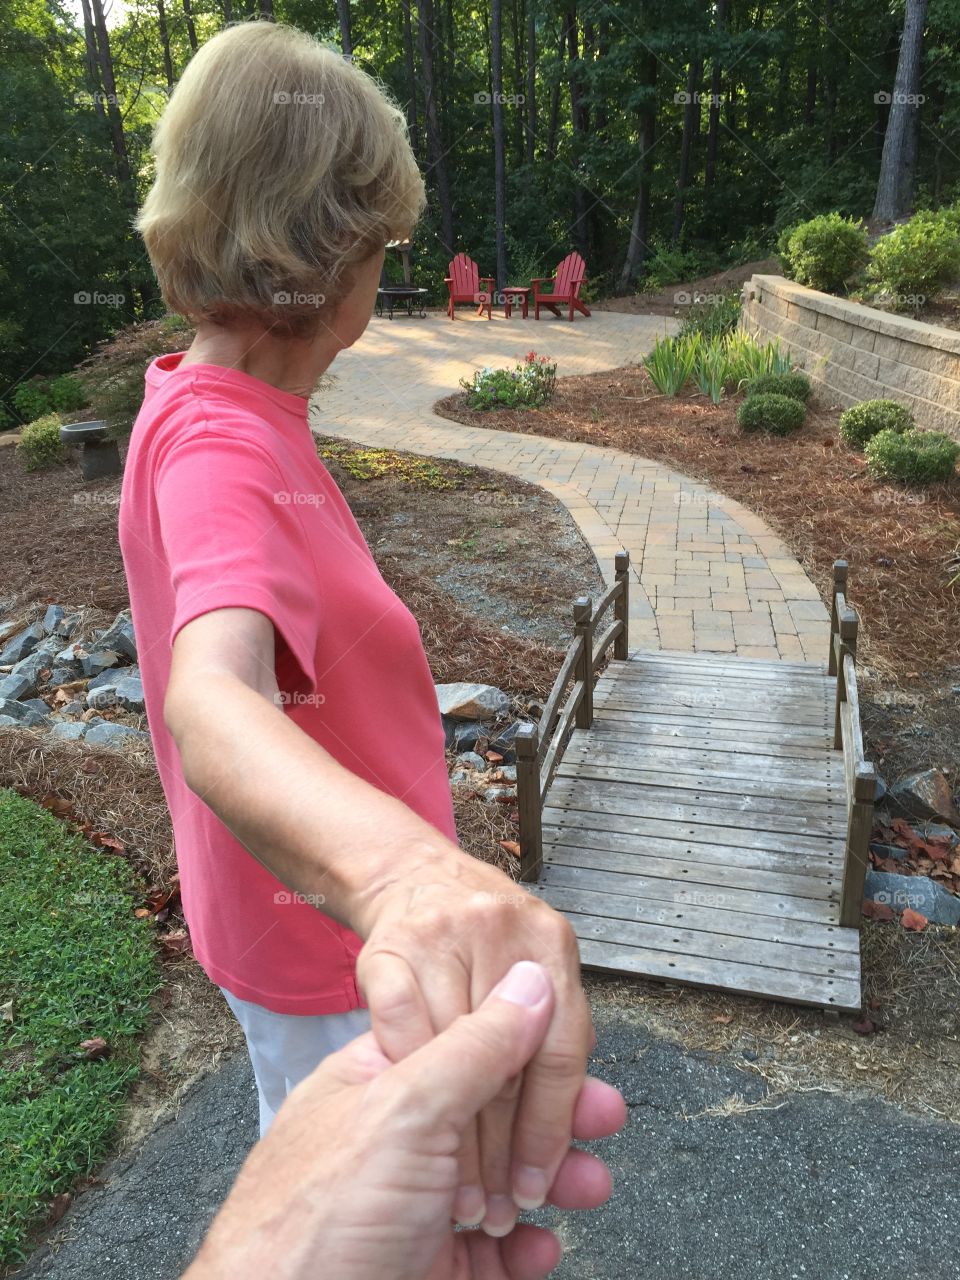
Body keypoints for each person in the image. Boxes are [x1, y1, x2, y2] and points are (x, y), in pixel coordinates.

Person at [123, 19, 593, 1239]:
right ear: (321, 257)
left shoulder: (209, 397)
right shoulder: (225, 449)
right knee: (378, 1224)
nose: (384, 276)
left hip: (294, 925)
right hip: (336, 945)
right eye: (382, 246)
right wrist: (408, 881)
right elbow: (208, 695)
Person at [183, 963, 627, 1279]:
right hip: (332, 961)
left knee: (296, 1100)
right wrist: (409, 876)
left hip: (250, 949)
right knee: (373, 1107)